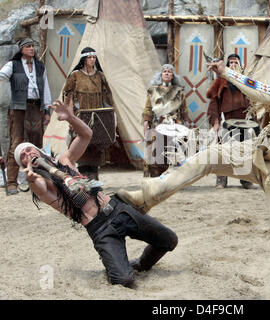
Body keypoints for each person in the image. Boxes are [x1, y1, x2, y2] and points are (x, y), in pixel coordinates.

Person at [117, 40, 270, 299]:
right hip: (257, 152)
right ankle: (145, 196)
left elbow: (268, 95)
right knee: (207, 157)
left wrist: (226, 72)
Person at [14, 98, 178, 288]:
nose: (27, 155)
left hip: (118, 210)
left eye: (28, 150)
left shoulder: (65, 160)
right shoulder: (44, 184)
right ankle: (114, 265)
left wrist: (70, 118)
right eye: (22, 157)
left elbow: (86, 135)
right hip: (101, 229)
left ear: (37, 149)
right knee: (124, 280)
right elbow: (39, 188)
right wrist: (31, 178)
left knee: (169, 240)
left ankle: (141, 263)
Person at [0, 37, 52, 195]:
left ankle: (37, 181)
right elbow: (1, 76)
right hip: (18, 109)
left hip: (35, 108)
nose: (32, 49)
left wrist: (47, 110)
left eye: (33, 46)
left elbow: (46, 88)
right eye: (28, 46)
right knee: (16, 143)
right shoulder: (13, 65)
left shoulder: (40, 66)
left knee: (35, 145)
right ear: (21, 49)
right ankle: (12, 182)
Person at [63, 47, 115, 180]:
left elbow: (107, 98)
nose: (92, 60)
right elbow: (67, 97)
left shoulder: (100, 76)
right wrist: (70, 118)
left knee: (96, 146)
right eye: (89, 58)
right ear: (84, 60)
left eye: (94, 58)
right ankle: (82, 177)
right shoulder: (75, 75)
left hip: (97, 116)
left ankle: (94, 177)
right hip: (81, 116)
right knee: (81, 145)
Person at [206, 53, 254, 189]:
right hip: (227, 120)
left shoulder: (246, 81)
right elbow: (214, 102)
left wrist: (254, 119)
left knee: (244, 150)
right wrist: (215, 121)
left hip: (244, 121)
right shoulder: (221, 81)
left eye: (236, 62)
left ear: (240, 65)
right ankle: (221, 179)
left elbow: (253, 101)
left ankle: (246, 179)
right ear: (227, 65)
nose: (233, 65)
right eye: (231, 63)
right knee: (223, 150)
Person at [142, 64, 192, 177]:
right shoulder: (153, 91)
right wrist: (146, 123)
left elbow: (183, 109)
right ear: (161, 74)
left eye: (169, 72)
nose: (167, 73)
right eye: (164, 71)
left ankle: (174, 176)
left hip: (175, 123)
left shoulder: (179, 92)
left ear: (173, 75)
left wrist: (187, 122)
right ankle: (156, 173)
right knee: (157, 149)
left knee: (175, 149)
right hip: (158, 123)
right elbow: (148, 108)